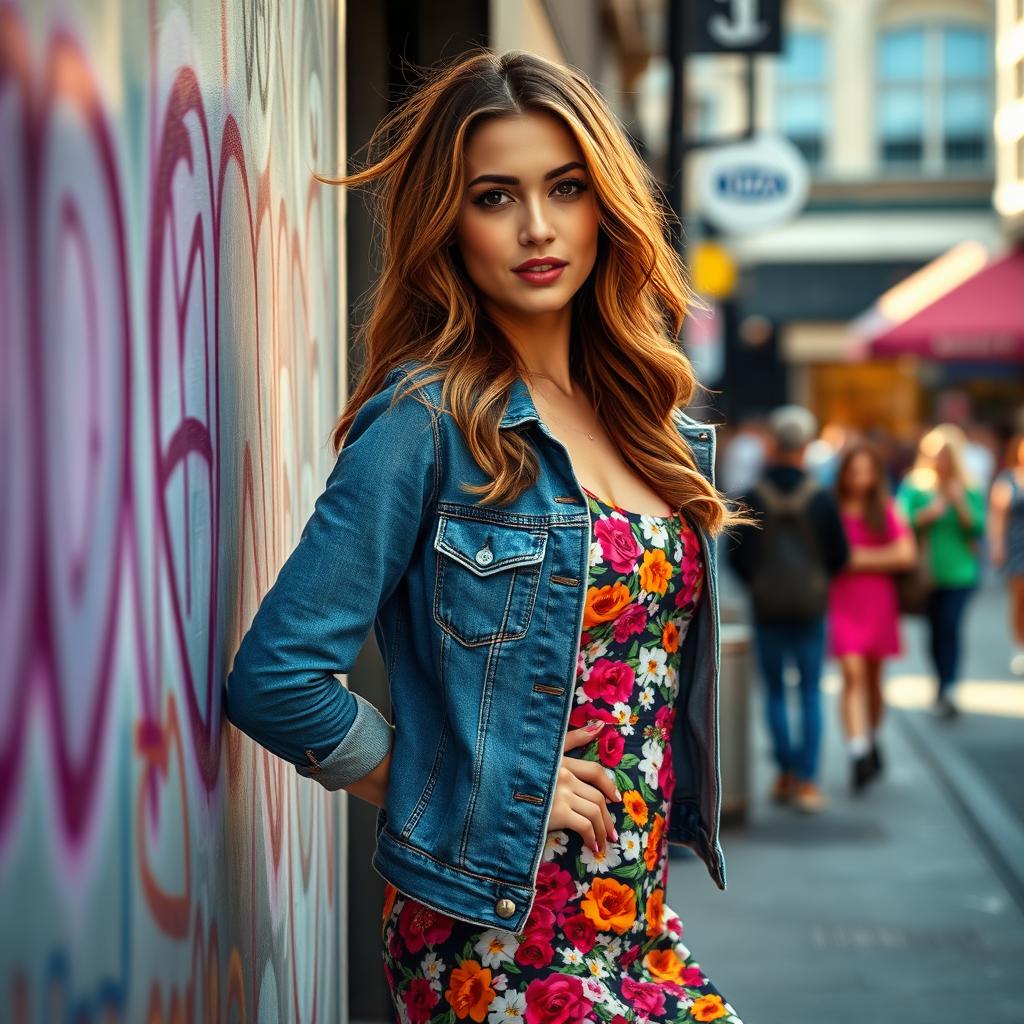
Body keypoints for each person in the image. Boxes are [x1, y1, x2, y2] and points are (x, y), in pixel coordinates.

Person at [223, 48, 756, 1020]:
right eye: (494, 196)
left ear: (606, 205)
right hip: (494, 935)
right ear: (449, 224)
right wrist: (469, 790)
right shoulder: (425, 422)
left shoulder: (654, 426)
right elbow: (277, 677)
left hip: (633, 919)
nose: (538, 227)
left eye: (564, 187)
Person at [726, 405, 849, 814]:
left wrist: (759, 585)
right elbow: (840, 555)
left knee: (775, 692)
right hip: (812, 606)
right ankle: (807, 780)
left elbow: (735, 558)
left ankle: (783, 773)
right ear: (806, 447)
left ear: (773, 445)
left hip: (767, 606)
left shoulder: (752, 496)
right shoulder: (821, 498)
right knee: (811, 691)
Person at [827, 441, 916, 794]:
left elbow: (905, 554)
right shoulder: (830, 509)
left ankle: (872, 736)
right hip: (841, 601)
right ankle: (858, 750)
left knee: (875, 679)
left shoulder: (886, 508)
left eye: (866, 471)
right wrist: (875, 556)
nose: (859, 478)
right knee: (851, 674)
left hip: (878, 601)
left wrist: (856, 558)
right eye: (853, 470)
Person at [896, 424, 987, 718]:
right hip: (927, 573)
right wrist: (928, 514)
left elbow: (978, 528)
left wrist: (959, 504)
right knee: (935, 631)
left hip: (960, 571)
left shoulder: (968, 487)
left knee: (950, 626)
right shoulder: (915, 487)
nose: (940, 461)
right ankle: (940, 682)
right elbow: (900, 523)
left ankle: (949, 686)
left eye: (946, 455)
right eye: (936, 455)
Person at [987, 430, 1024, 676]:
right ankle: (1019, 645)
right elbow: (998, 517)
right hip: (1018, 547)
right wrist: (997, 546)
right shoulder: (1007, 481)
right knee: (1020, 600)